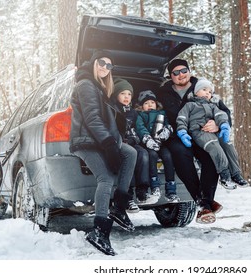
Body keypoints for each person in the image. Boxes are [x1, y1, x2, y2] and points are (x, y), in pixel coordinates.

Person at [157, 59, 247, 224]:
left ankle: (206, 202)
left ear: (189, 71)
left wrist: (217, 125)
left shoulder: (202, 87)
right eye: (175, 73)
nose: (180, 75)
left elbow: (223, 111)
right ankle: (204, 203)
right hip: (177, 135)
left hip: (202, 133)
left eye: (183, 70)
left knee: (210, 157)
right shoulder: (162, 93)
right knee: (180, 154)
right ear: (171, 76)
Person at [69, 50, 137, 256]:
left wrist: (116, 144)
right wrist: (109, 144)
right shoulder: (86, 85)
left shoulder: (100, 88)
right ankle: (98, 231)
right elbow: (92, 119)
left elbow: (108, 123)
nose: (105, 68)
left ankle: (118, 206)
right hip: (86, 141)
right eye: (101, 63)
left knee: (131, 153)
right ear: (93, 63)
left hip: (99, 139)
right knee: (106, 178)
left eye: (109, 66)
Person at [177, 78, 243, 189]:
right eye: (204, 89)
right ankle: (225, 175)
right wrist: (182, 132)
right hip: (199, 132)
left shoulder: (213, 106)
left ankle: (236, 174)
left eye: (210, 92)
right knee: (214, 146)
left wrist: (224, 126)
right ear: (196, 91)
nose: (207, 93)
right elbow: (182, 118)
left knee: (228, 144)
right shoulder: (189, 105)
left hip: (214, 132)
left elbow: (220, 115)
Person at [111, 78, 158, 209]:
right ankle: (128, 194)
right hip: (118, 144)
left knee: (143, 153)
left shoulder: (133, 113)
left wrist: (133, 139)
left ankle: (142, 191)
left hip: (131, 142)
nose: (126, 97)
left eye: (129, 94)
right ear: (116, 94)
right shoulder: (112, 109)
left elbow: (138, 130)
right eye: (123, 93)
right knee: (129, 156)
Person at [135, 90, 180, 203]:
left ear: (156, 104)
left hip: (161, 144)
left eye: (152, 102)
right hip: (148, 145)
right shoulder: (141, 116)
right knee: (152, 156)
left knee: (168, 157)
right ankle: (155, 187)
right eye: (146, 103)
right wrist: (147, 139)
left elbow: (167, 125)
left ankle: (171, 190)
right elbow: (140, 128)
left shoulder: (162, 114)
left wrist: (167, 131)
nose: (150, 105)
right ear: (141, 106)